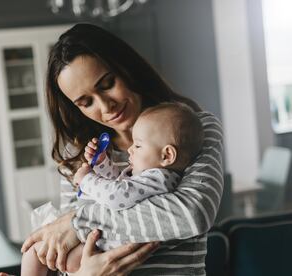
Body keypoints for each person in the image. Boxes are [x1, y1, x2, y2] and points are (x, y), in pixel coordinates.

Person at [15, 22, 223, 276]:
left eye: (107, 84)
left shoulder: (192, 129)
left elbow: (192, 214)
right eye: (86, 102)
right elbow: (68, 255)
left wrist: (76, 222)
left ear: (126, 68)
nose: (106, 106)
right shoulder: (80, 156)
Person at [21, 102, 205, 275]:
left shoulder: (158, 178)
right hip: (104, 247)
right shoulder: (154, 178)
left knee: (35, 253)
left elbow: (117, 196)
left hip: (105, 249)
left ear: (167, 155)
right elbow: (120, 184)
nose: (131, 150)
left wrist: (86, 180)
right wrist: (102, 164)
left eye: (138, 145)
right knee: (44, 255)